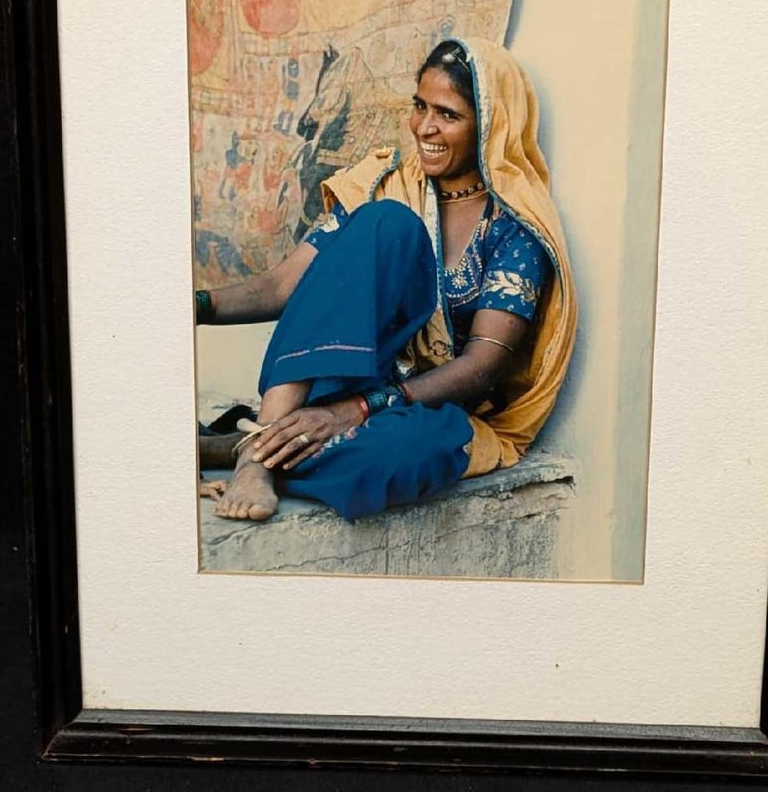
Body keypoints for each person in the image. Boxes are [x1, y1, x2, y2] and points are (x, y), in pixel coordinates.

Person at [196, 36, 576, 522]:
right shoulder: (384, 183)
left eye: (448, 114)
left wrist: (357, 409)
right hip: (344, 376)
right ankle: (259, 453)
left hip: (420, 408)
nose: (425, 126)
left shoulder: (512, 229)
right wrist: (194, 305)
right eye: (419, 106)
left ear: (490, 126)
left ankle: (246, 443)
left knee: (391, 460)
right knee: (387, 222)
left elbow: (483, 366)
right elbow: (281, 286)